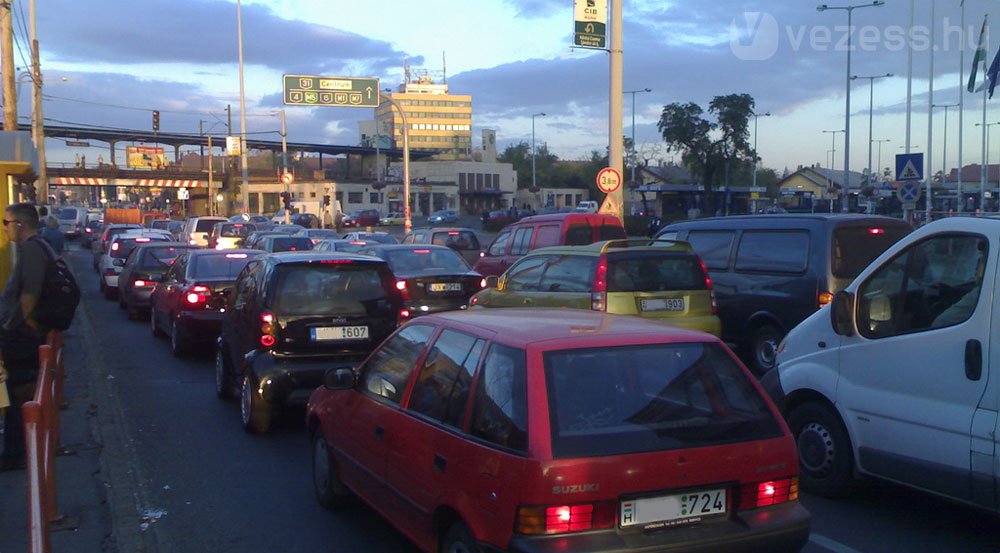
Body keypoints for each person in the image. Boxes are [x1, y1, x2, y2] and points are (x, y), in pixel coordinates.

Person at [0, 203, 50, 471]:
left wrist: (10, 324)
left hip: (21, 339)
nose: (4, 228)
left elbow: (29, 295)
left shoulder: (31, 251)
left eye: (6, 222)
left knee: (19, 397)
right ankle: (18, 449)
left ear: (20, 224)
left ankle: (16, 453)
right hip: (24, 336)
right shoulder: (36, 248)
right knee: (19, 397)